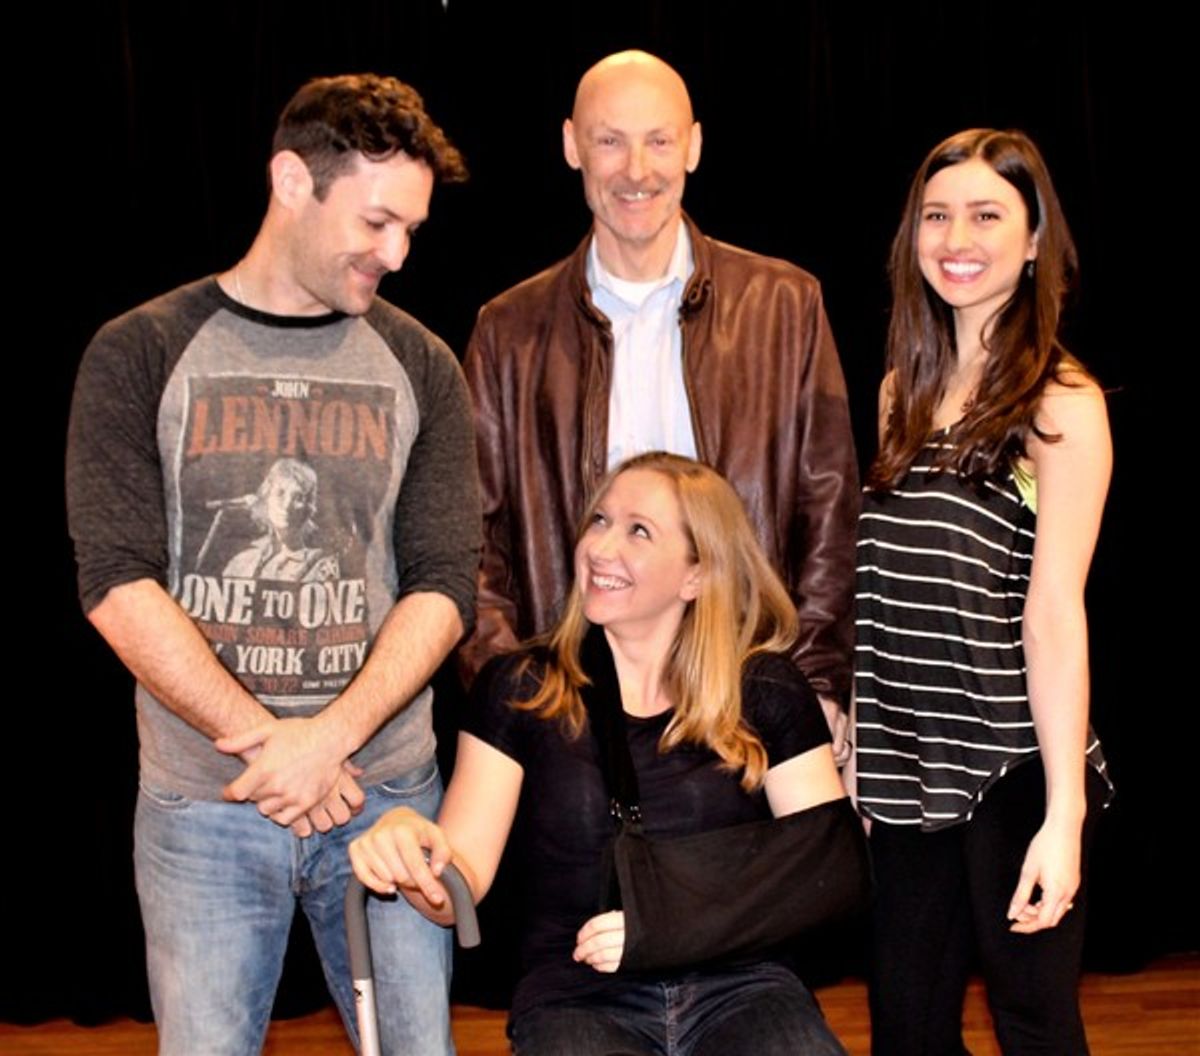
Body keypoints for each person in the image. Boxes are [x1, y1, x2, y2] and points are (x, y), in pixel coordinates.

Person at [66, 74, 479, 1056]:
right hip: (204, 806)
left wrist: (329, 739)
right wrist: (274, 743)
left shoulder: (422, 366)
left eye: (412, 230)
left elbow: (444, 583)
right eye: (377, 222)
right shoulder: (140, 352)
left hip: (381, 793)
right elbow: (116, 584)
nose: (397, 253)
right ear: (293, 179)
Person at [352, 452, 853, 1056]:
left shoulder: (766, 690)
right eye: (598, 521)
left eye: (638, 530)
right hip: (576, 997)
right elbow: (457, 889)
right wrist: (411, 845)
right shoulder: (521, 689)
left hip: (745, 988)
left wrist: (662, 926)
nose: (600, 547)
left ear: (696, 575)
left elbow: (827, 872)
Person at [460, 50, 859, 752]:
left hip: (745, 698)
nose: (636, 170)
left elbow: (828, 510)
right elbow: (470, 540)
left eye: (659, 140)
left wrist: (815, 685)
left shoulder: (786, 305)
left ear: (694, 146)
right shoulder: (508, 329)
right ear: (570, 146)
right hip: (572, 712)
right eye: (610, 140)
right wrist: (518, 696)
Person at [851, 128, 1113, 1055]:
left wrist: (1065, 818)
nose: (956, 237)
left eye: (987, 214)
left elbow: (1053, 619)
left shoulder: (1061, 404)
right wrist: (862, 747)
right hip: (910, 770)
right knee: (908, 1031)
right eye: (937, 215)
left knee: (1035, 1026)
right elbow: (879, 598)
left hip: (1013, 772)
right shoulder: (897, 396)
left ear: (1036, 238)